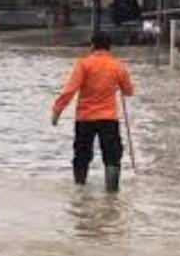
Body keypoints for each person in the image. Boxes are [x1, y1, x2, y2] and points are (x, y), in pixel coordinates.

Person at [51, 31, 135, 191]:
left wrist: (57, 111)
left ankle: (79, 189)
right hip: (109, 119)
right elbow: (129, 91)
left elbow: (70, 90)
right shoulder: (117, 65)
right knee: (112, 155)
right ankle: (112, 195)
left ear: (92, 45)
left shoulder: (83, 64)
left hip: (85, 118)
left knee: (82, 154)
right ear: (110, 47)